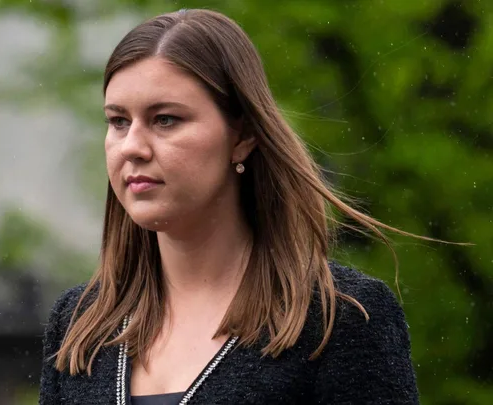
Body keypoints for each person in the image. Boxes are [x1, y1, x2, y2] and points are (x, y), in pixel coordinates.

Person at [39, 8, 424, 405]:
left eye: (166, 119)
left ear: (242, 136)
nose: (132, 146)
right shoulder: (80, 323)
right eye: (118, 121)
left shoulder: (336, 318)